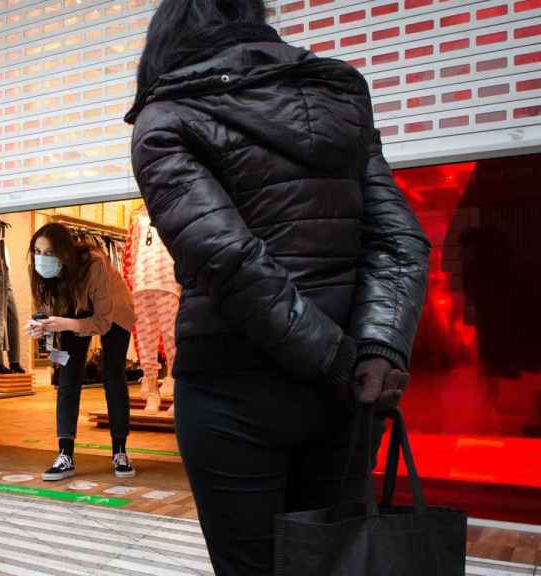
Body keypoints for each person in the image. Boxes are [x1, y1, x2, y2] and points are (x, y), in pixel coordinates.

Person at [125, 1, 430, 574]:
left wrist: (343, 361)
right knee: (334, 564)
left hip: (233, 390)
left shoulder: (166, 119)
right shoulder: (339, 97)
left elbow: (232, 263)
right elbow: (399, 239)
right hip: (343, 394)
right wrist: (378, 350)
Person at [26, 223, 137, 481]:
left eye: (50, 252)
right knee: (68, 378)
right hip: (74, 309)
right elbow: (45, 313)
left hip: (113, 310)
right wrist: (40, 330)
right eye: (38, 251)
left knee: (112, 374)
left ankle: (120, 451)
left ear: (65, 252)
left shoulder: (94, 263)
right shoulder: (38, 271)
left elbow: (102, 321)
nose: (42, 258)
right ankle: (65, 454)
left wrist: (64, 323)